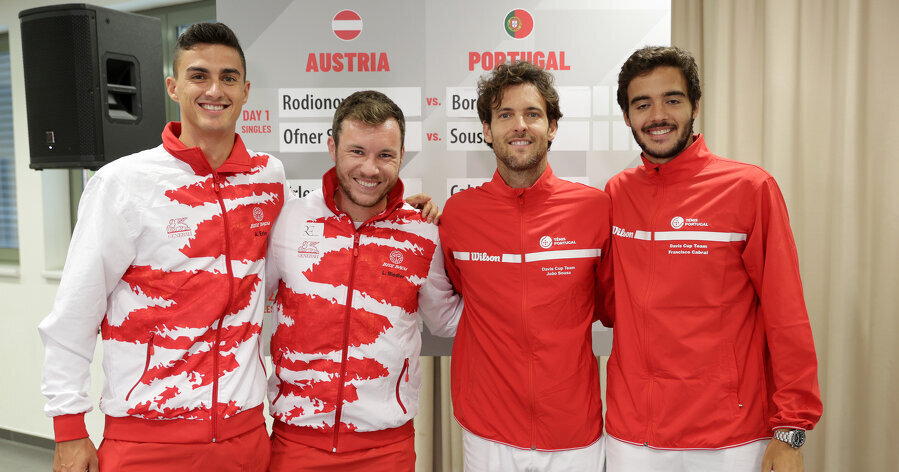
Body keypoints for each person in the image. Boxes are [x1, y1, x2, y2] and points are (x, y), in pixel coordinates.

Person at [38, 23, 289, 472]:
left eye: (229, 77)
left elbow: (325, 224)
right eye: (199, 76)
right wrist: (69, 429)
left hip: (246, 439)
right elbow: (73, 317)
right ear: (173, 87)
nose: (215, 89)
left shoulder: (267, 178)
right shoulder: (122, 184)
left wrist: (401, 209)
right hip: (148, 444)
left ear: (247, 90)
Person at [603, 46, 823, 472]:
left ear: (695, 106)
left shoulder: (749, 188)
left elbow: (787, 315)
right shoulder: (615, 194)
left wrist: (791, 429)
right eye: (642, 104)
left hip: (731, 437)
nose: (658, 115)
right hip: (634, 438)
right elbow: (604, 301)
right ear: (627, 116)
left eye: (673, 99)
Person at [265, 90, 463, 472]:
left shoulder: (423, 232)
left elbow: (446, 320)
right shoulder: (289, 220)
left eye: (385, 155)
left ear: (402, 155)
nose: (370, 169)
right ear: (332, 147)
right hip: (295, 442)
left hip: (385, 450)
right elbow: (247, 302)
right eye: (357, 152)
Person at [438, 61, 614, 471]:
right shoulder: (458, 215)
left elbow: (609, 306)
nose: (520, 125)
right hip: (487, 434)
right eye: (505, 115)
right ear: (486, 129)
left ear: (552, 127)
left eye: (533, 114)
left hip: (574, 434)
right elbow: (453, 296)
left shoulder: (594, 208)